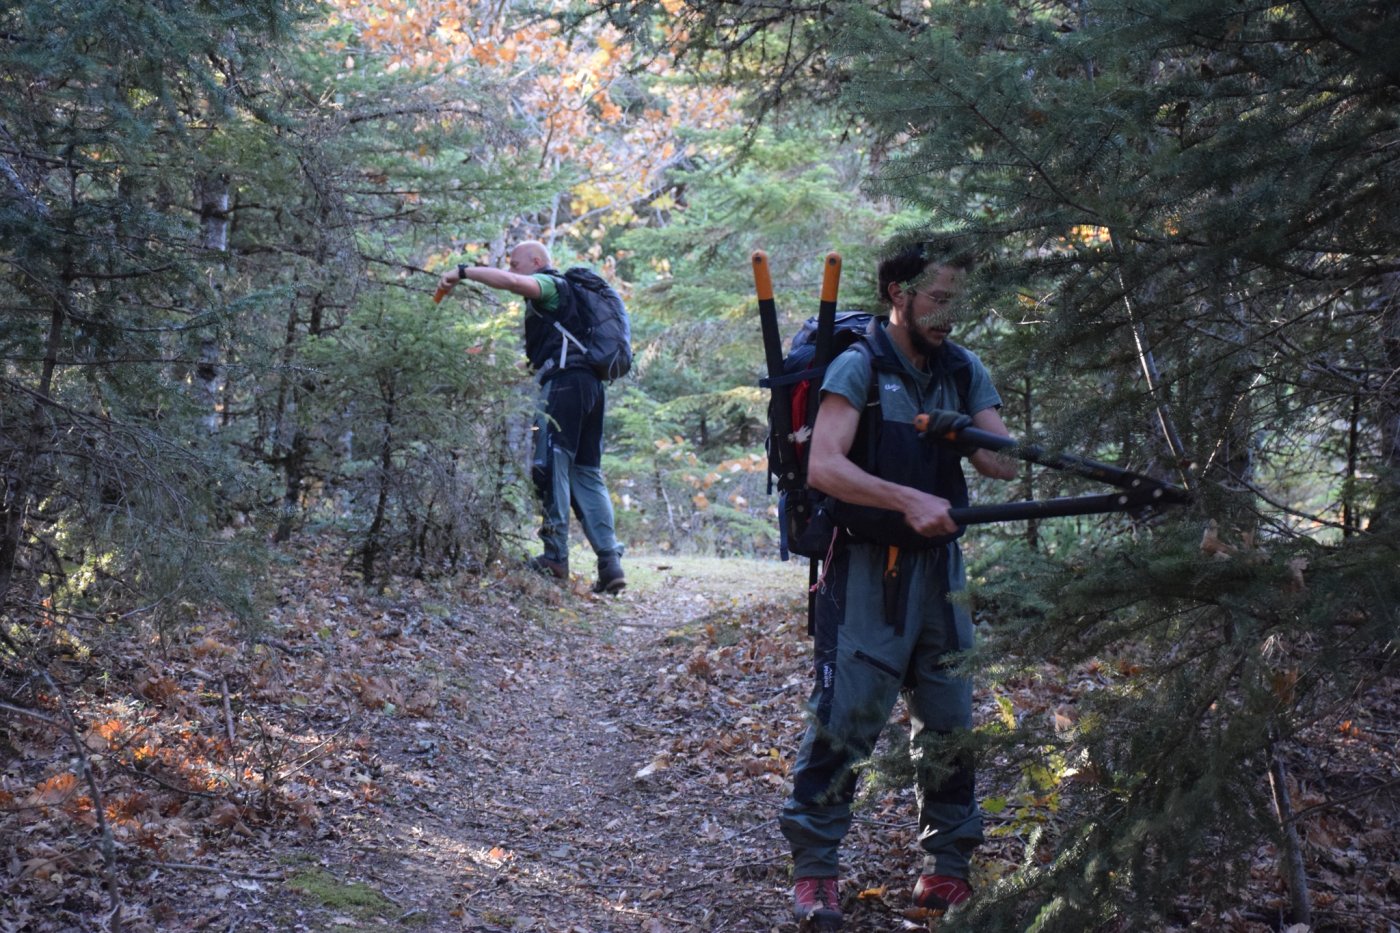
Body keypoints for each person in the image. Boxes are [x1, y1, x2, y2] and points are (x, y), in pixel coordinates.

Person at [780, 240, 1017, 926]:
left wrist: (967, 432)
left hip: (942, 572)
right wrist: (904, 498)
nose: (948, 314)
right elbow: (825, 466)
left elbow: (1003, 467)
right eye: (937, 299)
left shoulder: (961, 368)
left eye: (956, 301)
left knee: (949, 717)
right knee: (847, 715)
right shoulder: (859, 365)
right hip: (865, 569)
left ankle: (947, 869)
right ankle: (816, 869)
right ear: (899, 295)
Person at [436, 240, 625, 594]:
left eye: (515, 263)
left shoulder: (552, 285)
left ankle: (554, 558)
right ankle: (610, 563)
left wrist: (462, 272)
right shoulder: (565, 304)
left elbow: (513, 283)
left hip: (565, 387)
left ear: (536, 261)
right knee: (586, 472)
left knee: (549, 464)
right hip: (590, 389)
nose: (511, 269)